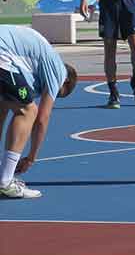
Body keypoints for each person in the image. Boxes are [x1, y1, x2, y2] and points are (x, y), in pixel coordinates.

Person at [0, 27, 78, 199]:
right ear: (64, 81)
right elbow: (42, 118)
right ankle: (5, 182)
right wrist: (31, 157)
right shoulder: (58, 70)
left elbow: (5, 107)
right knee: (28, 110)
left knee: (4, 107)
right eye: (57, 93)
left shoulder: (33, 62)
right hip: (2, 55)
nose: (49, 94)